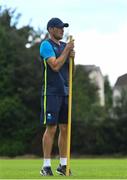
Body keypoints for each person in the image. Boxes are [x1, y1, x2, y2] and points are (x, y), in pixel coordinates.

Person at [39, 17, 75, 176]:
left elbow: (71, 74)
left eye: (63, 28)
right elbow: (54, 66)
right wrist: (67, 51)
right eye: (59, 28)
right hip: (51, 92)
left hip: (66, 92)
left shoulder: (64, 46)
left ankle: (63, 165)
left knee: (65, 128)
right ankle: (46, 166)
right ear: (51, 29)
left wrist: (73, 58)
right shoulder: (46, 45)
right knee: (51, 128)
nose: (62, 30)